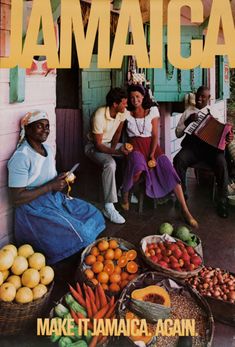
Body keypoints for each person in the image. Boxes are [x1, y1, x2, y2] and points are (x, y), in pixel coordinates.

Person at [8, 111, 105, 265]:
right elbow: (16, 198)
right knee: (82, 234)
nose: (45, 129)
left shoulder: (48, 149)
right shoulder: (21, 157)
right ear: (27, 129)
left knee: (95, 214)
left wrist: (60, 180)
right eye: (39, 126)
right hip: (33, 210)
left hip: (54, 200)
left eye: (47, 126)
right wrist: (50, 187)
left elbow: (48, 179)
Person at [121, 84, 198, 228]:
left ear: (143, 97)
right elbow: (118, 132)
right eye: (131, 97)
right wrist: (120, 147)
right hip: (135, 146)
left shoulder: (152, 111)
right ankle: (125, 191)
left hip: (152, 146)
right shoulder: (126, 113)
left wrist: (151, 155)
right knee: (138, 167)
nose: (134, 100)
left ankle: (185, 210)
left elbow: (155, 135)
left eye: (137, 96)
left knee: (169, 169)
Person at [173, 86, 233, 218]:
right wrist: (188, 122)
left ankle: (222, 201)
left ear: (208, 98)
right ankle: (182, 195)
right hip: (193, 149)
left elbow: (223, 134)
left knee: (222, 163)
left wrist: (228, 137)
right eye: (198, 96)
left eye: (203, 97)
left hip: (211, 151)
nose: (200, 99)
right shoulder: (188, 112)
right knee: (178, 160)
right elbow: (177, 133)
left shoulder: (214, 112)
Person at [85, 87, 130, 224]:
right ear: (115, 104)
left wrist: (115, 149)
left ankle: (125, 191)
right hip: (93, 147)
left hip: (109, 144)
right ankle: (109, 206)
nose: (126, 105)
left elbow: (117, 134)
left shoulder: (122, 113)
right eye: (124, 103)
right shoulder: (99, 115)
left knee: (132, 155)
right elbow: (98, 145)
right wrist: (116, 153)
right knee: (110, 163)